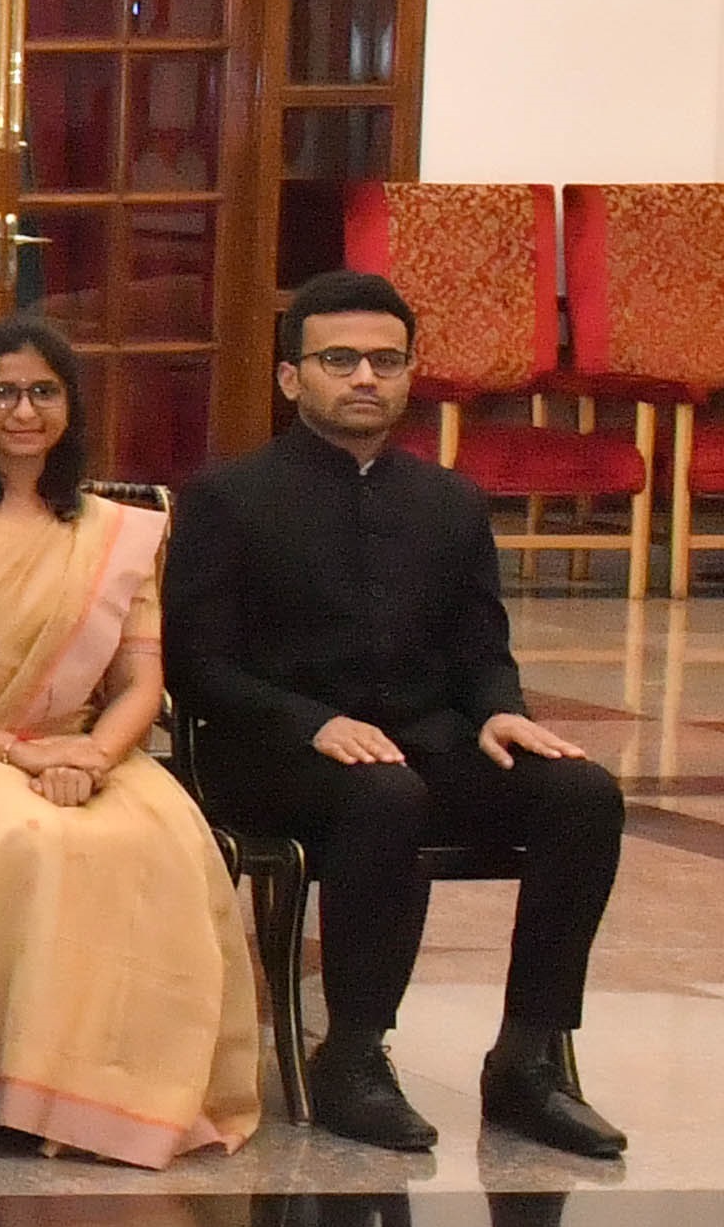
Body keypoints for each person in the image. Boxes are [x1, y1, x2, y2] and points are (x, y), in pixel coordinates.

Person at [173, 270, 627, 1158]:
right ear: (291, 378)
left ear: (412, 372)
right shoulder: (230, 498)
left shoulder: (450, 501)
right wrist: (312, 721)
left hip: (425, 740)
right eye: (339, 359)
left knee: (583, 795)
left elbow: (480, 648)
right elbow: (198, 666)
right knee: (384, 796)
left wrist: (500, 711)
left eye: (386, 360)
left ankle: (528, 1058)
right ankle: (353, 1055)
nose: (365, 378)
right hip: (275, 752)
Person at [0, 318, 262, 1169]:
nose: (24, 409)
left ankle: (132, 1093)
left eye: (44, 391)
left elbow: (141, 682)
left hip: (86, 747)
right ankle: (10, 1086)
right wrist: (16, 750)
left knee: (157, 842)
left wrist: (92, 755)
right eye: (2, 391)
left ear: (70, 409)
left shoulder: (116, 530)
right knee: (28, 839)